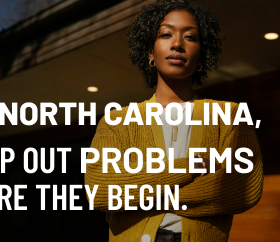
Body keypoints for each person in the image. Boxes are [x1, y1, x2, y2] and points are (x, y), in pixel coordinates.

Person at [84, 0, 263, 241]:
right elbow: (100, 192)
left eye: (190, 37)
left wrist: (141, 193)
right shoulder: (116, 121)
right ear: (150, 51)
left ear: (201, 56)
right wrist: (190, 167)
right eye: (166, 34)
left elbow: (244, 188)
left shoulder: (229, 117)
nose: (177, 44)